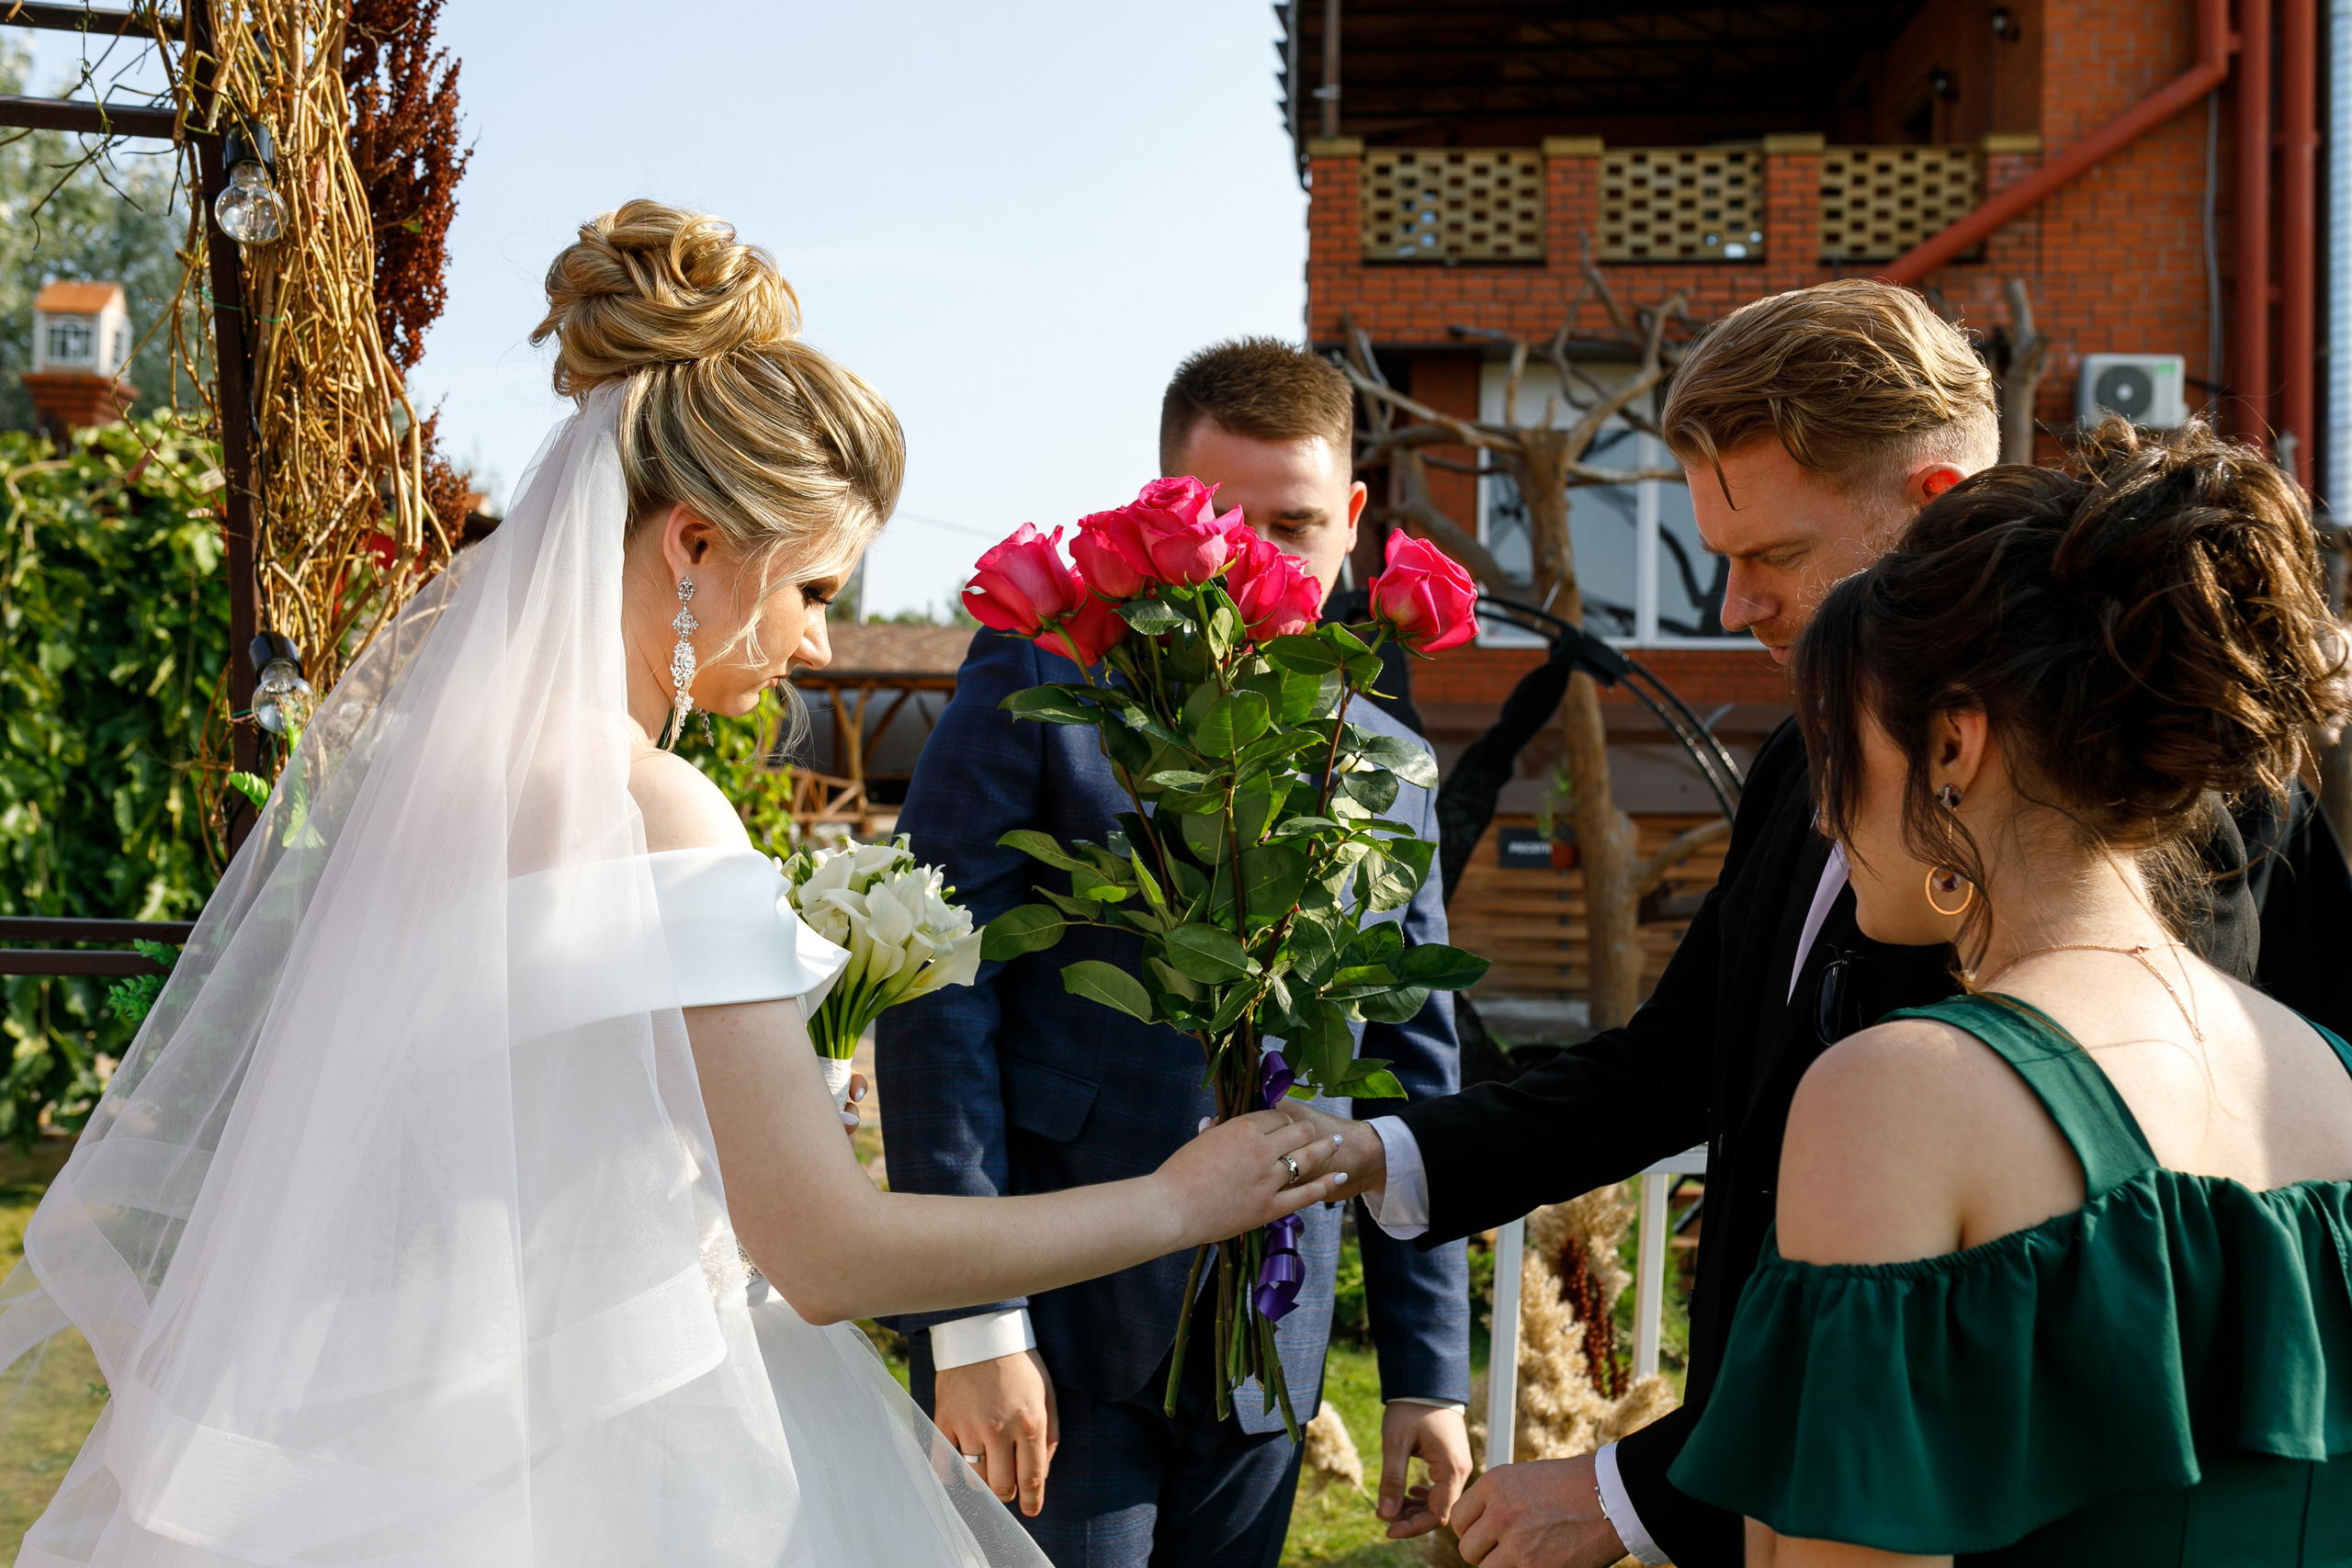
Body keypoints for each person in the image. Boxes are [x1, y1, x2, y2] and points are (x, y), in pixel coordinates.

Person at [0, 201, 1352, 1568]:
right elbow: (824, 1250)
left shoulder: (454, 779)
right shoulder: (655, 807)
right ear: (694, 544)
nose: (815, 642)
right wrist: (1179, 1202)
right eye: (814, 586)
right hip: (631, 1437)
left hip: (414, 1403)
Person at [1287, 280, 2352, 1568]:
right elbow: (1681, 1060)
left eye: (1770, 557)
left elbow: (2124, 1289)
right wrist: (1374, 1152)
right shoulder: (1803, 762)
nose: (1730, 607)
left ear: (1936, 505)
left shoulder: (2189, 805)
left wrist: (1637, 1490)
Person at [1675, 422, 2352, 1562]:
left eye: (1837, 750)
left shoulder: (1898, 1094)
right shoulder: (2329, 1076)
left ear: (1952, 745)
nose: (1825, 813)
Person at [879, 338, 1470, 1567]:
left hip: (1269, 1348)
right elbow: (936, 984)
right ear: (1169, 514)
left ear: (1354, 518)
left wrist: (1426, 1366)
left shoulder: (1390, 758)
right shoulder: (1045, 678)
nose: (1259, 560)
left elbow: (1414, 1062)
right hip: (1057, 1337)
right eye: (1228, 522)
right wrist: (975, 1321)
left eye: (1296, 526)